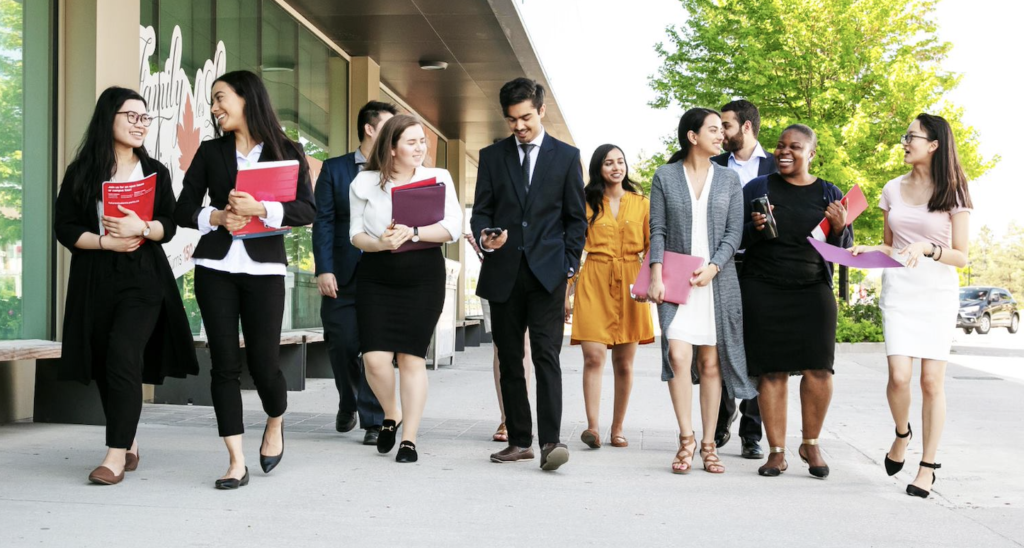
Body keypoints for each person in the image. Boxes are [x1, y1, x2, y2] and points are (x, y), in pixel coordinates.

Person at [174, 70, 316, 489]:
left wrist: (261, 209)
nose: (215, 108)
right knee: (223, 365)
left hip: (264, 270)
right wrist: (215, 216)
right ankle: (235, 460)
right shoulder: (211, 151)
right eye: (213, 101)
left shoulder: (287, 150)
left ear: (246, 98)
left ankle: (275, 419)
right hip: (216, 267)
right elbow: (183, 209)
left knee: (264, 363)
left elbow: (306, 211)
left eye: (221, 99)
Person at [54, 86, 198, 485]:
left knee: (122, 351)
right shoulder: (83, 170)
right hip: (95, 276)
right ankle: (129, 440)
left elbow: (170, 223)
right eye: (131, 116)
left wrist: (144, 228)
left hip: (143, 276)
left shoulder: (155, 171)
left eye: (144, 117)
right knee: (105, 358)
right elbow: (64, 226)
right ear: (108, 119)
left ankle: (114, 455)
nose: (140, 124)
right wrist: (104, 241)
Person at [851, 113, 972, 498]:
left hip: (936, 292)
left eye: (911, 136)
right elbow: (892, 246)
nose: (905, 142)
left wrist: (929, 248)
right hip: (900, 289)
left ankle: (928, 465)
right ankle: (902, 433)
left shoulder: (955, 190)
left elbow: (962, 257)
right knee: (900, 377)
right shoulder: (891, 188)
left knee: (931, 382)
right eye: (905, 136)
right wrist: (872, 248)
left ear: (934, 144)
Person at [471, 77, 587, 471]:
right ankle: (519, 440)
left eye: (524, 118)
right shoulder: (491, 157)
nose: (519, 127)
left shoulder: (567, 157)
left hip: (548, 275)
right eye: (511, 120)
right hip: (503, 272)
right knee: (508, 359)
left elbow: (576, 219)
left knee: (545, 356)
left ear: (541, 111)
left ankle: (550, 442)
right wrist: (487, 237)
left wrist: (570, 264)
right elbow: (481, 213)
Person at [349, 114, 463, 464]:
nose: (420, 148)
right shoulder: (364, 182)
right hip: (377, 274)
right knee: (375, 360)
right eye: (411, 142)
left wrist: (413, 232)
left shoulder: (437, 178)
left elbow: (452, 228)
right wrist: (382, 243)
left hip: (423, 275)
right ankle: (391, 413)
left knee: (411, 358)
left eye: (422, 141)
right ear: (392, 147)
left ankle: (409, 439)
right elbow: (355, 235)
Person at [648, 109, 756, 474]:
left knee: (711, 363)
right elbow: (657, 230)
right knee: (678, 356)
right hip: (676, 282)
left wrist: (713, 268)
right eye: (713, 129)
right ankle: (686, 439)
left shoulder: (728, 180)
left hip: (716, 283)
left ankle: (709, 443)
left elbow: (733, 233)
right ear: (692, 137)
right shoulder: (665, 176)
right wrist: (656, 275)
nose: (720, 135)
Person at [740, 124, 852, 479]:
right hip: (763, 287)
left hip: (812, 288)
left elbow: (844, 251)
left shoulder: (828, 193)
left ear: (811, 153)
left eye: (795, 146)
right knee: (771, 370)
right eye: (779, 145)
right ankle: (776, 452)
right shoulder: (758, 187)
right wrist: (753, 227)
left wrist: (839, 227)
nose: (784, 151)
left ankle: (811, 442)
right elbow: (732, 234)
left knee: (819, 368)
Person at [313, 101, 396, 446]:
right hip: (342, 272)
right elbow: (324, 222)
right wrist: (324, 269)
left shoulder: (397, 172)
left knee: (376, 347)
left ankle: (374, 420)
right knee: (343, 343)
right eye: (389, 128)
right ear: (370, 129)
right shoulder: (335, 170)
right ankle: (348, 401)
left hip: (383, 273)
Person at [569, 144, 654, 449]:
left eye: (620, 162)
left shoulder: (642, 203)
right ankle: (592, 427)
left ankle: (617, 428)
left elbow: (651, 247)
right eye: (608, 163)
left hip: (632, 280)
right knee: (593, 356)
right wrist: (567, 290)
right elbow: (573, 247)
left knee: (624, 363)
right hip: (594, 276)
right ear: (599, 169)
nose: (616, 167)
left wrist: (649, 282)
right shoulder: (585, 202)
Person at [710, 99, 777, 458]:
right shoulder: (714, 164)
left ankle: (752, 433)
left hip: (762, 268)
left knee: (756, 350)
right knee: (720, 345)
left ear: (746, 127)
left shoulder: (775, 166)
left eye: (726, 126)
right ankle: (720, 420)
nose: (720, 133)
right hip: (723, 265)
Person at [465, 232, 534, 443]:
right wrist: (482, 242)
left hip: (534, 271)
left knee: (525, 343)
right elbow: (481, 219)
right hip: (497, 273)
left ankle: (521, 418)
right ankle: (507, 417)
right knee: (500, 346)